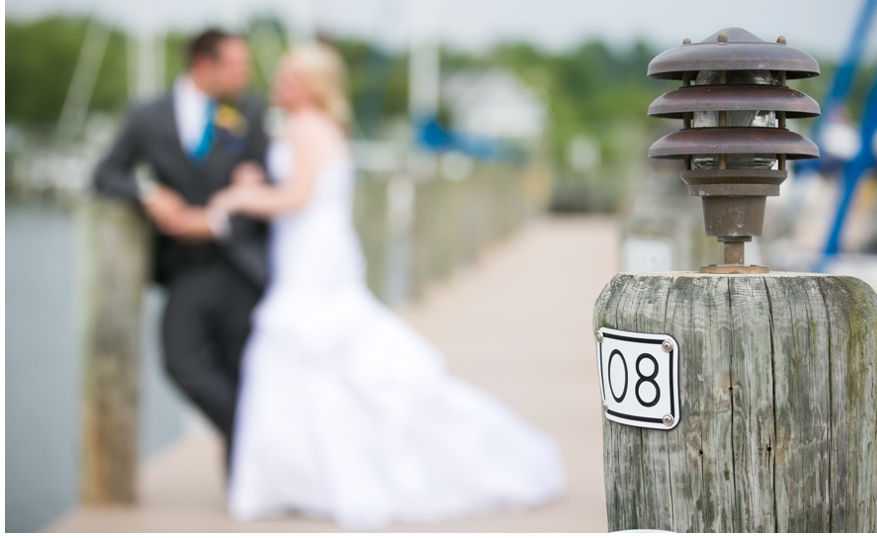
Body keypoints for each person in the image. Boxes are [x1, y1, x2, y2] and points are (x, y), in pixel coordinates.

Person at [209, 43, 566, 527]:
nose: (278, 82)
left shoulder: (304, 126)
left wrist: (240, 197)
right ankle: (301, 476)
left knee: (303, 347)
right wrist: (257, 178)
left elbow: (295, 197)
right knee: (305, 355)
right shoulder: (322, 127)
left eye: (290, 76)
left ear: (311, 85)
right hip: (313, 250)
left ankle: (301, 476)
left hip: (312, 253)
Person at [93, 28, 270, 465]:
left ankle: (242, 483)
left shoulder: (249, 111)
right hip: (185, 268)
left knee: (240, 370)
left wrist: (216, 220)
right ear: (204, 66)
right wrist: (148, 195)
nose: (245, 75)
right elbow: (105, 174)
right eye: (236, 66)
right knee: (181, 362)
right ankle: (259, 436)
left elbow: (269, 186)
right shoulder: (147, 116)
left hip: (240, 265)